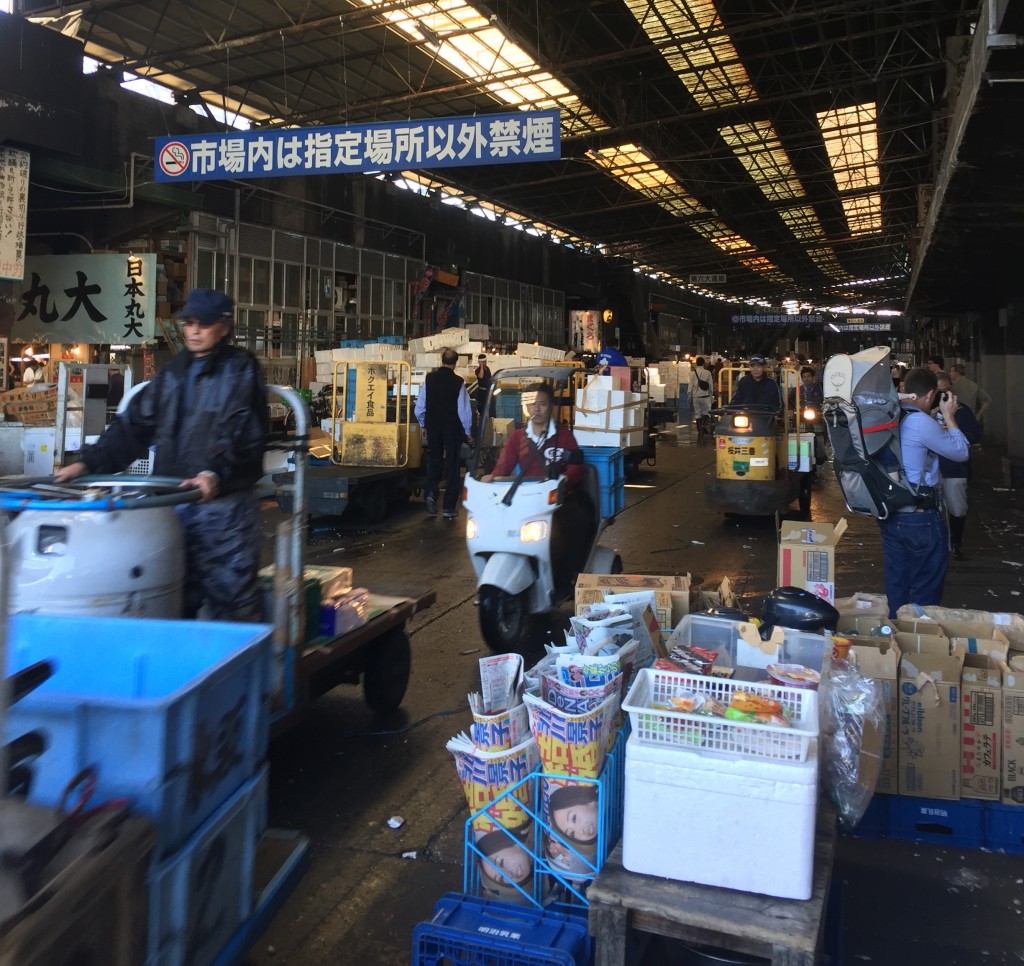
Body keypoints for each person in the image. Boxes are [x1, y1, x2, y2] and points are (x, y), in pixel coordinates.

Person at [53, 289, 268, 621]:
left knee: (234, 605)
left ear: (224, 327)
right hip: (172, 504)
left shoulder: (240, 369)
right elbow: (133, 426)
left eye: (204, 324)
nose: (194, 331)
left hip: (223, 510)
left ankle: (242, 669)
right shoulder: (173, 373)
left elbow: (238, 429)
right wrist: (86, 463)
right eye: (190, 322)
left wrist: (214, 474)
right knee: (171, 599)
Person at [879, 366, 970, 618]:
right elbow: (960, 452)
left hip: (890, 515)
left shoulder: (887, 414)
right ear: (931, 395)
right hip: (921, 519)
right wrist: (949, 416)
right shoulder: (921, 423)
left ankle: (896, 638)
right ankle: (917, 642)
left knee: (897, 585)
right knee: (925, 590)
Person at [482, 382, 592, 588]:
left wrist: (565, 479)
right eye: (532, 404)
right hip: (525, 501)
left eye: (542, 404)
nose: (537, 409)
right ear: (526, 407)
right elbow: (503, 466)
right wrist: (491, 477)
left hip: (557, 501)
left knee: (578, 523)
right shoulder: (517, 438)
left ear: (550, 406)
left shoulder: (564, 436)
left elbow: (577, 466)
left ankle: (567, 578)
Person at [414, 347, 472, 520]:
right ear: (455, 363)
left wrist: (424, 424)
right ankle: (448, 507)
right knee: (453, 465)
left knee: (435, 460)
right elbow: (464, 411)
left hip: (433, 427)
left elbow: (419, 407)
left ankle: (431, 493)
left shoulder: (430, 379)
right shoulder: (458, 382)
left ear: (441, 360)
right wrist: (468, 432)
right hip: (451, 428)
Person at [935, 371, 981, 560]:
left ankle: (956, 542)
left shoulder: (963, 411)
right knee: (934, 511)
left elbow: (974, 435)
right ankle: (939, 545)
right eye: (938, 392)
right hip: (933, 470)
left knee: (958, 509)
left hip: (955, 469)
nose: (942, 395)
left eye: (945, 390)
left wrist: (954, 431)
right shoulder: (925, 414)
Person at [688, 355, 714, 438]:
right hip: (705, 396)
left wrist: (689, 397)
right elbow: (710, 386)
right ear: (703, 364)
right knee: (707, 412)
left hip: (695, 397)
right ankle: (703, 425)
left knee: (697, 414)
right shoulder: (707, 373)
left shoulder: (692, 373)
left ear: (696, 364)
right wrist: (711, 395)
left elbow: (690, 387)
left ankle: (699, 430)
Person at [472, 352, 492, 423]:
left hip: (487, 391)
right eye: (482, 362)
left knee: (488, 408)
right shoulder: (477, 370)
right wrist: (481, 367)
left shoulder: (488, 369)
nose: (483, 363)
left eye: (484, 362)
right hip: (481, 392)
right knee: (481, 409)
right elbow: (481, 376)